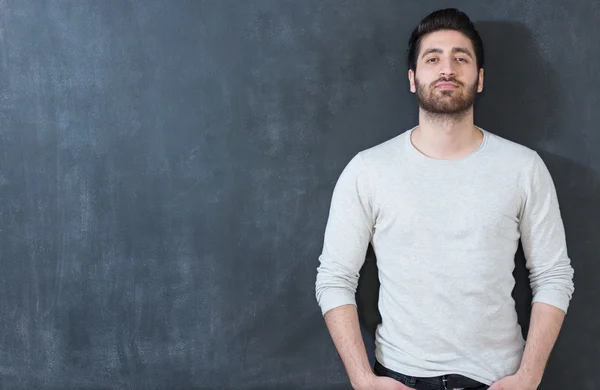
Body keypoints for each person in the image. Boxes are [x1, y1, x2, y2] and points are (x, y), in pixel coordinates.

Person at [314, 8, 574, 390]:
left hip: (497, 381)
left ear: (479, 78)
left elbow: (554, 276)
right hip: (400, 378)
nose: (447, 69)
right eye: (432, 58)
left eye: (461, 58)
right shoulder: (368, 170)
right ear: (412, 78)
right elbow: (334, 278)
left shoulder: (523, 168)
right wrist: (362, 380)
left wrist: (529, 377)